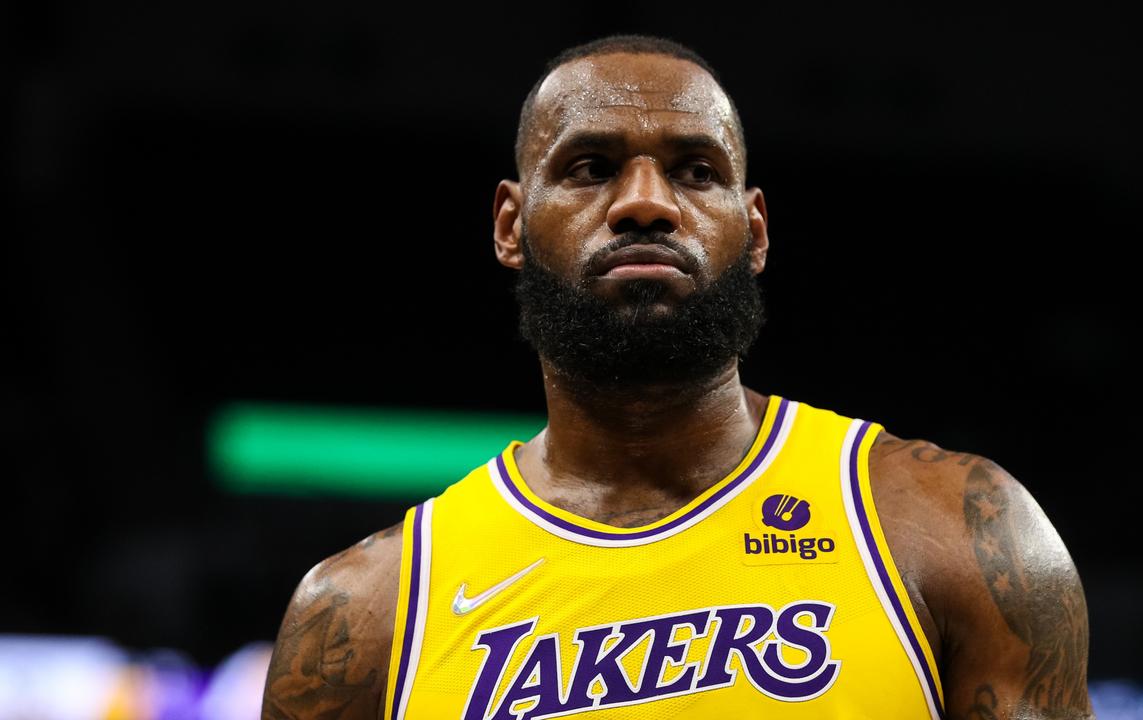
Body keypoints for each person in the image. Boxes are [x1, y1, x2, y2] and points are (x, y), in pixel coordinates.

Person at [261, 34, 1094, 720]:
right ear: (511, 226)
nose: (646, 203)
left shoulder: (955, 531)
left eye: (696, 171)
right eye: (591, 167)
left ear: (756, 231)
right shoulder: (364, 617)